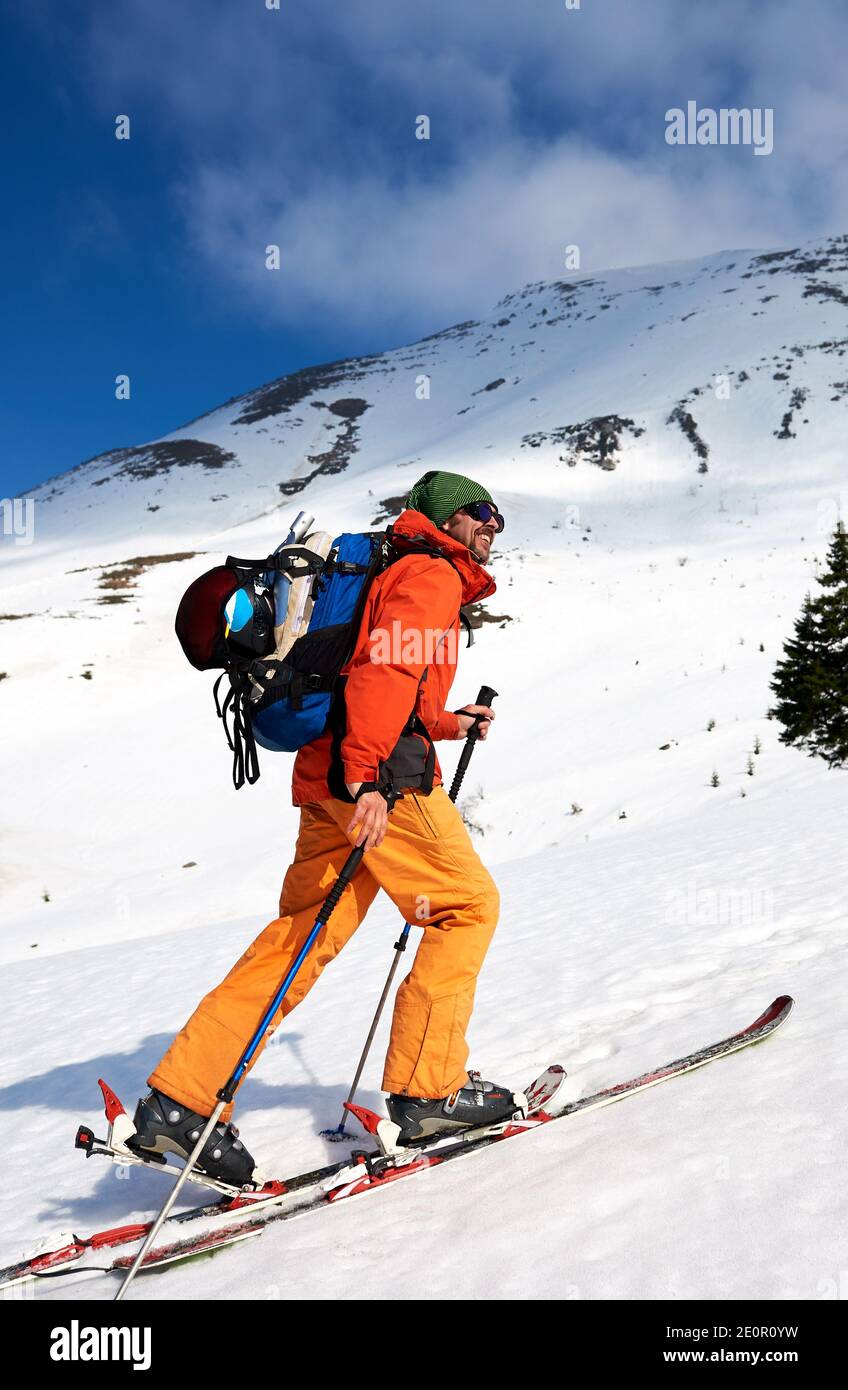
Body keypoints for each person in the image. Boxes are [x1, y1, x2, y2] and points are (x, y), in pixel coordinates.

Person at [131, 470, 516, 1185]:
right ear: (447, 518)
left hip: (327, 773)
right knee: (466, 908)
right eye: (482, 513)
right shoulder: (429, 572)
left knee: (302, 935)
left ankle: (180, 1103)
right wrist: (370, 776)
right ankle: (429, 1091)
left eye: (499, 518)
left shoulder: (390, 565)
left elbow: (383, 677)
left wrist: (446, 723)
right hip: (379, 780)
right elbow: (383, 673)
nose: (493, 527)